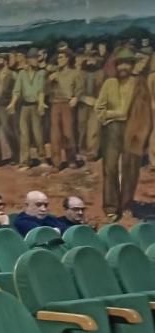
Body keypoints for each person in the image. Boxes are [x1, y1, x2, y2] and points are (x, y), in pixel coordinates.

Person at [96, 50, 150, 222]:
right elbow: (99, 110)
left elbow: (146, 111)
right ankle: (111, 206)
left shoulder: (139, 84)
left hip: (133, 128)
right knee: (110, 167)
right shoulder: (109, 84)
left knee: (131, 168)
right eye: (120, 63)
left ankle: (126, 205)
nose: (123, 67)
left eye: (127, 63)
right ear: (116, 66)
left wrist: (143, 132)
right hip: (112, 129)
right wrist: (115, 114)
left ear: (132, 66)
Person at [8, 49, 47, 169]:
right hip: (24, 107)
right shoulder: (22, 74)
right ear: (29, 60)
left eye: (37, 58)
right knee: (24, 135)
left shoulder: (41, 73)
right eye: (34, 58)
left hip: (35, 106)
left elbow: (41, 90)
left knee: (38, 134)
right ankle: (25, 162)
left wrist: (41, 104)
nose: (36, 60)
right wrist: (12, 104)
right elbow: (17, 91)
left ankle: (43, 159)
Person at [48, 49, 85, 170]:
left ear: (68, 59)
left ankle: (71, 159)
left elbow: (80, 88)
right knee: (55, 135)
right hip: (55, 104)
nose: (59, 60)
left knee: (68, 133)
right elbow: (45, 91)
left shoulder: (75, 73)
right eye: (58, 58)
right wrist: (49, 81)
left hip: (67, 105)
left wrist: (76, 97)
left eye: (62, 57)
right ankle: (56, 163)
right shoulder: (55, 74)